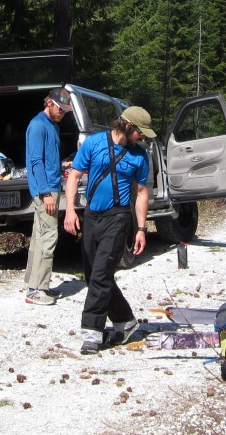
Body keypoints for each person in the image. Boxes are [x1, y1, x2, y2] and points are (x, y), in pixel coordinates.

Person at [63, 105, 156, 354]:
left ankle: (92, 332)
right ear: (127, 126)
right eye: (140, 132)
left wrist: (140, 229)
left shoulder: (139, 156)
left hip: (118, 219)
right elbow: (73, 176)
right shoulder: (94, 144)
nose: (143, 137)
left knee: (102, 274)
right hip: (93, 216)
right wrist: (70, 210)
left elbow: (142, 193)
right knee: (94, 274)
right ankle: (125, 321)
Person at [23, 87, 73, 305]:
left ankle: (34, 285)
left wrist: (62, 165)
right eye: (60, 109)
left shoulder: (52, 125)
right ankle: (37, 291)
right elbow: (35, 162)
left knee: (38, 237)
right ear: (49, 103)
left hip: (51, 187)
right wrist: (45, 193)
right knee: (49, 238)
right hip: (46, 192)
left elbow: (47, 158)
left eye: (65, 111)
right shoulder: (37, 125)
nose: (62, 113)